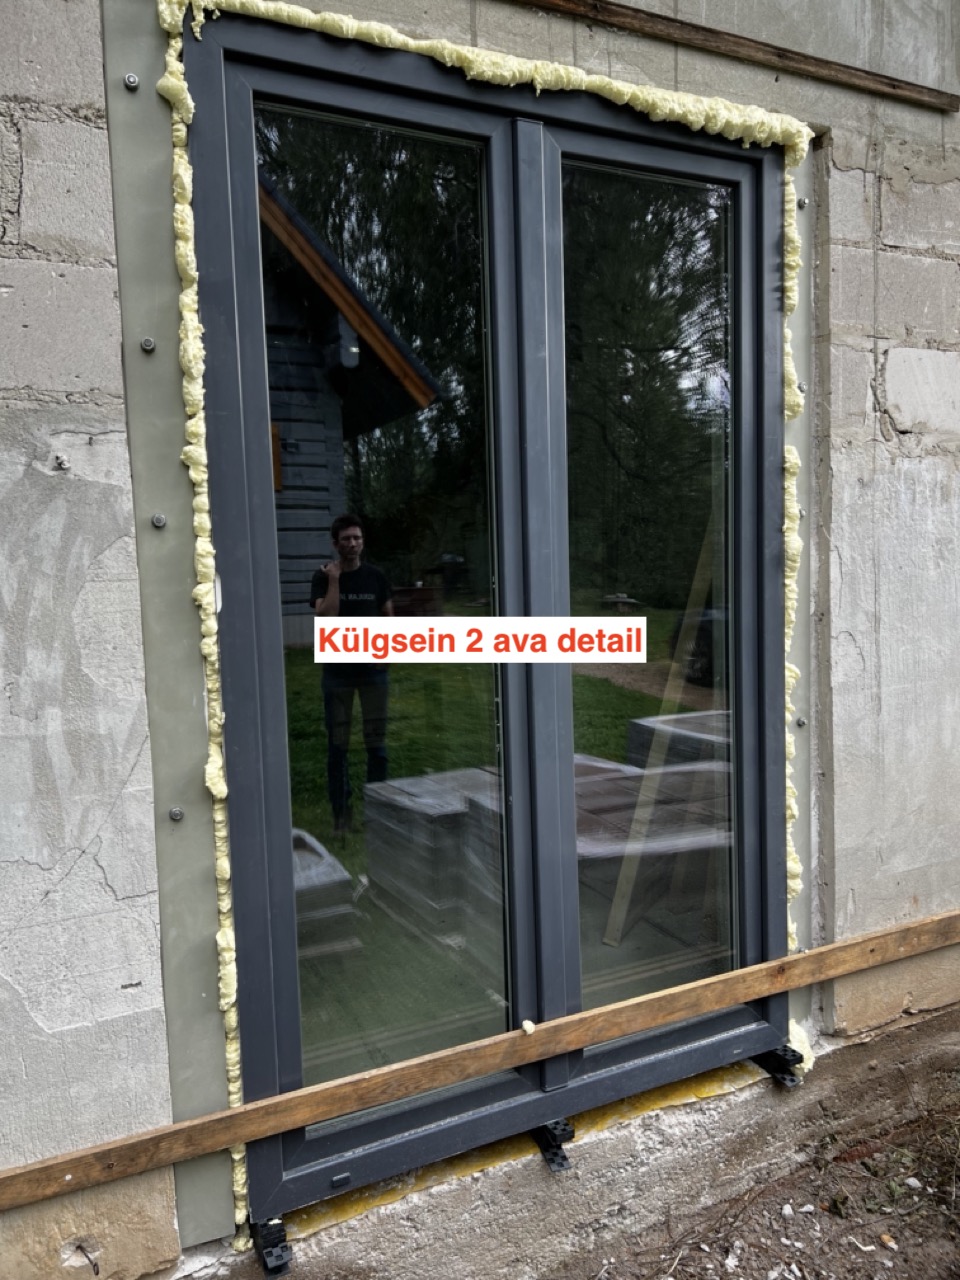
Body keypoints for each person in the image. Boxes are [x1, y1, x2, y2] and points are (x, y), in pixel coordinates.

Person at [310, 514, 393, 832]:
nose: (352, 543)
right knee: (338, 748)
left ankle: (379, 814)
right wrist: (335, 580)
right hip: (337, 674)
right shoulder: (322, 577)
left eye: (357, 538)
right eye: (346, 539)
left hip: (372, 673)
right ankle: (341, 816)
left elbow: (387, 615)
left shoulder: (376, 576)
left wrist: (387, 654)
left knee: (377, 747)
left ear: (363, 541)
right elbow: (326, 618)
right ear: (336, 543)